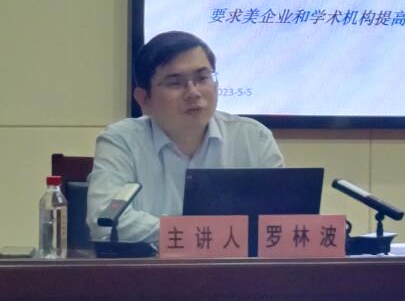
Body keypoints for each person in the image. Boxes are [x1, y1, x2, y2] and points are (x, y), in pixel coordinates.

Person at [86, 31, 284, 245]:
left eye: (202, 78)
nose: (193, 93)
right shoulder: (121, 141)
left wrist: (188, 234)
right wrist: (201, 234)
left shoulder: (254, 139)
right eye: (175, 83)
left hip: (234, 267)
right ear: (144, 99)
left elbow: (282, 221)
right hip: (150, 267)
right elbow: (104, 222)